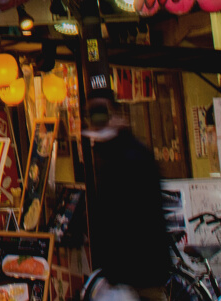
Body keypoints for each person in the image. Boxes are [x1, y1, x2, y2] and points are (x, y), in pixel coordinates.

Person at [84, 91, 170, 301]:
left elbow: (131, 217)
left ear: (115, 114)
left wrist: (113, 269)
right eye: (92, 115)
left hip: (140, 272)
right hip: (132, 272)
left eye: (100, 113)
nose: (96, 121)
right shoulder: (116, 152)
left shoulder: (129, 156)